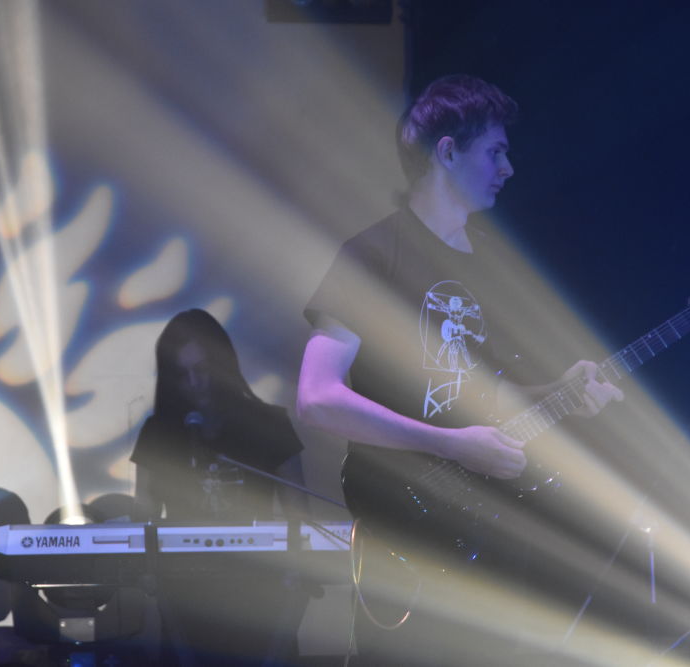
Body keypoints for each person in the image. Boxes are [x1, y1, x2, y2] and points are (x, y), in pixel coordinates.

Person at [297, 75, 623, 665]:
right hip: (404, 531)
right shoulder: (375, 253)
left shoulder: (494, 268)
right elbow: (317, 396)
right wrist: (449, 444)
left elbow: (485, 398)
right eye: (495, 151)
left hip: (492, 535)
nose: (509, 168)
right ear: (447, 152)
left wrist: (561, 393)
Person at [130, 308, 310, 665]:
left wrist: (296, 568)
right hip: (185, 594)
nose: (196, 383)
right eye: (183, 375)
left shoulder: (269, 423)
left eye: (203, 370)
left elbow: (299, 512)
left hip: (262, 588)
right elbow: (144, 516)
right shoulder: (159, 432)